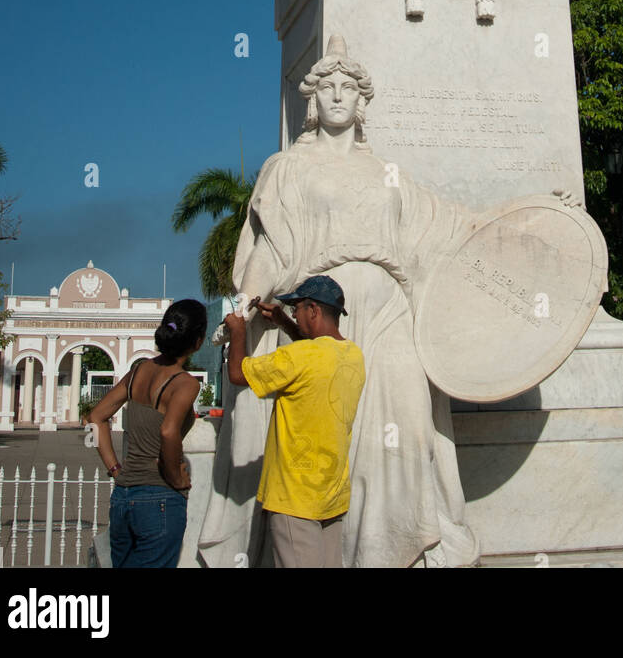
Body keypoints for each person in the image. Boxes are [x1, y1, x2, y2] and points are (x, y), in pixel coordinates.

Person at [199, 36, 479, 569]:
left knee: (410, 427)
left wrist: (524, 221)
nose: (337, 96)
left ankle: (394, 547)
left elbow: (445, 226)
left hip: (390, 310)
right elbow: (272, 247)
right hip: (322, 318)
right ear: (312, 100)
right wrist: (242, 305)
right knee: (332, 433)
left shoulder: (385, 172)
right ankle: (346, 549)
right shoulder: (288, 167)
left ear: (363, 101)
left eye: (348, 87)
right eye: (327, 87)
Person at [224, 274, 365, 569]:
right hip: (332, 495)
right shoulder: (353, 355)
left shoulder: (297, 357)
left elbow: (238, 374)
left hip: (294, 498)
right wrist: (284, 322)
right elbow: (317, 349)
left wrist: (237, 331)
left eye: (296, 310)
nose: (294, 315)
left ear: (313, 310)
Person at [87, 299, 206, 567]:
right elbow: (168, 431)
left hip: (123, 497)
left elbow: (95, 417)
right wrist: (175, 478)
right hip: (160, 498)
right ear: (198, 341)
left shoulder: (138, 371)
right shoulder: (185, 383)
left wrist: (114, 469)